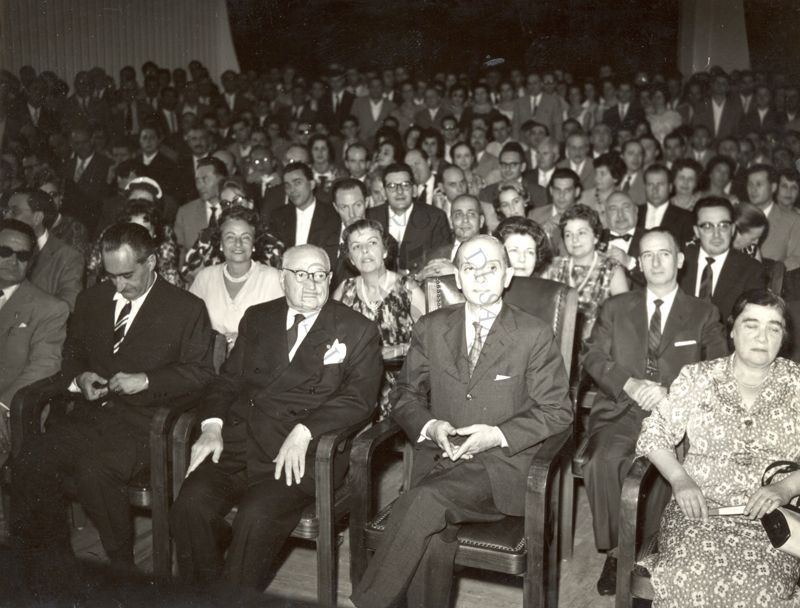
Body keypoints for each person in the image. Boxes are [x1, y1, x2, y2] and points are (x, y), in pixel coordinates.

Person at [350, 235, 573, 608]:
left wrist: (497, 435)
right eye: (470, 269)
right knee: (432, 535)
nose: (481, 277)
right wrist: (430, 427)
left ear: (508, 275)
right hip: (439, 459)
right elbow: (403, 395)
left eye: (491, 269)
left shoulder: (532, 334)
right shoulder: (431, 327)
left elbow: (558, 411)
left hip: (500, 468)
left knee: (422, 502)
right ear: (457, 276)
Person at [11, 223, 215, 598]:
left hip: (146, 426)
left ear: (151, 262)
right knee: (30, 458)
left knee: (95, 470)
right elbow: (71, 354)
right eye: (111, 275)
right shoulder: (92, 300)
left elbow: (201, 374)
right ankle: (52, 564)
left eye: (127, 275)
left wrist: (148, 380)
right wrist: (79, 379)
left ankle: (122, 572)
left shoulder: (186, 308)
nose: (119, 286)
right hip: (90, 418)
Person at [170, 244, 382, 588]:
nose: (312, 284)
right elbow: (227, 380)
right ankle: (203, 596)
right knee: (189, 506)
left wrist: (304, 431)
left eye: (320, 275)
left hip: (299, 455)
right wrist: (211, 426)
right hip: (239, 445)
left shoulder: (356, 329)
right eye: (301, 275)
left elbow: (360, 400)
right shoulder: (258, 317)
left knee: (254, 520)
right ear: (283, 279)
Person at [581, 228, 728, 595]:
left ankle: (648, 555)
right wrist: (628, 384)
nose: (657, 261)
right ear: (639, 263)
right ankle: (617, 551)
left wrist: (672, 393)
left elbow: (719, 368)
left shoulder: (703, 312)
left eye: (665, 253)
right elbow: (593, 356)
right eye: (648, 255)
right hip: (620, 405)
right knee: (604, 461)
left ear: (680, 260)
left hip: (675, 411)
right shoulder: (616, 307)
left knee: (669, 473)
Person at [636, 289, 800, 607]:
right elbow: (653, 435)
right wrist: (679, 478)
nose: (762, 336)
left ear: (784, 337)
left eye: (774, 327)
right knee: (685, 580)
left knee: (759, 592)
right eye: (751, 324)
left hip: (774, 521)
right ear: (733, 330)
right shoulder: (698, 378)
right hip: (699, 513)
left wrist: (785, 487)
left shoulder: (798, 384)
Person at [333, 219, 425, 416]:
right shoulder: (344, 291)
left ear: (385, 251)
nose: (364, 250)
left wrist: (390, 354)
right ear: (350, 257)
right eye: (356, 246)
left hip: (403, 386)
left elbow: (429, 345)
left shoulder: (409, 289)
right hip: (357, 387)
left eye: (372, 243)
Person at [0, 219, 69, 466]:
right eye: (4, 251)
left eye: (22, 255)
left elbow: (44, 367)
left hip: (12, 411)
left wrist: (3, 405)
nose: (12, 260)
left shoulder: (50, 308)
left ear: (31, 262)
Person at [189, 206, 284, 352]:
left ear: (253, 244)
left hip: (256, 365)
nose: (238, 244)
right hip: (210, 366)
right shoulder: (205, 278)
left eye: (245, 237)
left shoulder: (273, 279)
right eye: (230, 237)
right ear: (220, 244)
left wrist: (244, 340)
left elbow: (281, 332)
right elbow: (190, 328)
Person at [545, 204, 628, 342]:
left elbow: (624, 319)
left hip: (598, 349)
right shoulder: (553, 267)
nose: (574, 240)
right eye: (568, 234)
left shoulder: (612, 270)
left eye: (581, 233)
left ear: (596, 236)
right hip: (557, 346)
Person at [181, 180, 284, 284]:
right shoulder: (207, 238)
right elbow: (187, 276)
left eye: (237, 201)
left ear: (250, 203)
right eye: (225, 203)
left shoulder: (270, 242)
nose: (231, 207)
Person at [5, 188, 84, 311]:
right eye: (6, 210)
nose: (6, 216)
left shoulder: (68, 257)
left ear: (37, 218)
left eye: (14, 211)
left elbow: (67, 306)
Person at [365, 162, 450, 275]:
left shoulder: (435, 217)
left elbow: (440, 265)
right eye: (392, 186)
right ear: (384, 193)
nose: (399, 191)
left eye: (405, 185)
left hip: (423, 285)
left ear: (414, 190)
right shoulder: (370, 217)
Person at [86, 199, 181, 287]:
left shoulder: (164, 265)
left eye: (145, 231)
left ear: (154, 234)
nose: (139, 237)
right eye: (134, 230)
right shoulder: (112, 260)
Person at [269, 162, 340, 264]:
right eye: (287, 185)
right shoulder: (278, 216)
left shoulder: (331, 215)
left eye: (297, 183)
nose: (292, 190)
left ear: (312, 184)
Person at [174, 157, 227, 264]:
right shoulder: (185, 213)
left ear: (221, 179)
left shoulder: (235, 209)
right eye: (197, 180)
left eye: (205, 179)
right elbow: (179, 253)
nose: (200, 186)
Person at [747, 163, 800, 270]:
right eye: (750, 184)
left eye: (759, 184)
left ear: (773, 187)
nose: (753, 189)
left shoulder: (793, 221)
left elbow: (795, 260)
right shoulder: (738, 215)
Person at [637, 164, 694, 249]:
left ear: (670, 187)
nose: (655, 190)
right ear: (645, 187)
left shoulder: (685, 218)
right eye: (650, 185)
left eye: (660, 184)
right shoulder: (634, 212)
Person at [577, 151, 626, 225]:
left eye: (602, 174)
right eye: (596, 173)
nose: (597, 178)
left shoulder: (623, 200)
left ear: (615, 178)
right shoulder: (584, 197)